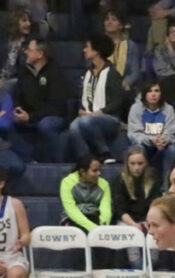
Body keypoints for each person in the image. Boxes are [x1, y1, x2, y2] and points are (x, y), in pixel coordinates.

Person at [68, 33, 124, 163]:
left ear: (96, 51)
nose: (84, 50)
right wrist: (81, 109)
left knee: (87, 121)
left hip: (109, 118)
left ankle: (104, 152)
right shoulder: (86, 72)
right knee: (74, 126)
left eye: (87, 47)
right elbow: (82, 97)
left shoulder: (112, 73)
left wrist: (99, 112)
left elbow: (117, 101)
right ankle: (86, 160)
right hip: (88, 117)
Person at [12, 37, 70, 162]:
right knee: (6, 123)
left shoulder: (55, 73)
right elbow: (17, 95)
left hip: (54, 116)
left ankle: (56, 164)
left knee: (46, 125)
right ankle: (28, 159)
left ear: (40, 54)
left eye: (29, 50)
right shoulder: (24, 72)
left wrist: (31, 117)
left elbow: (55, 106)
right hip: (29, 115)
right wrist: (17, 111)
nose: (25, 52)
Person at [0, 167, 31, 278]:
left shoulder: (15, 204)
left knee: (17, 274)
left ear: (1, 184)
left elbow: (26, 234)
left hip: (11, 256)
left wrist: (22, 241)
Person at [127, 78, 175, 183]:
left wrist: (163, 140)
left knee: (172, 150)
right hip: (144, 145)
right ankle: (140, 183)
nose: (153, 94)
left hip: (162, 146)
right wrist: (151, 140)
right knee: (138, 149)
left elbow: (171, 132)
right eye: (150, 91)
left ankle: (166, 185)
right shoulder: (136, 108)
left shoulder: (168, 109)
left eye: (156, 91)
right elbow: (134, 134)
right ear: (144, 94)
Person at [113, 145, 160, 230]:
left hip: (148, 220)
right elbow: (120, 209)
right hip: (126, 221)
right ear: (127, 163)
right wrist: (133, 224)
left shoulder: (153, 178)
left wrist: (148, 221)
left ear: (146, 163)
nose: (136, 168)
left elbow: (156, 204)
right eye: (132, 164)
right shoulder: (120, 180)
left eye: (140, 163)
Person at [60, 154, 111, 232]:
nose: (99, 173)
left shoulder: (104, 184)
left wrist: (103, 226)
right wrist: (92, 228)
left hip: (94, 217)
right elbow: (70, 209)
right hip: (71, 219)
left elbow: (105, 208)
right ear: (82, 172)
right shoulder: (67, 182)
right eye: (94, 171)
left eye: (99, 170)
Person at [104, 8, 141, 99]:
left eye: (114, 19)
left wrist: (123, 83)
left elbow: (135, 72)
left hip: (123, 85)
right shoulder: (98, 44)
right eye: (107, 19)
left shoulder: (131, 46)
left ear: (121, 26)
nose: (109, 22)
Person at [0, 10, 33, 95]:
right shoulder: (3, 40)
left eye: (29, 21)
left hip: (18, 81)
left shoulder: (31, 43)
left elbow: (26, 69)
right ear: (15, 23)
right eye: (24, 21)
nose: (29, 24)